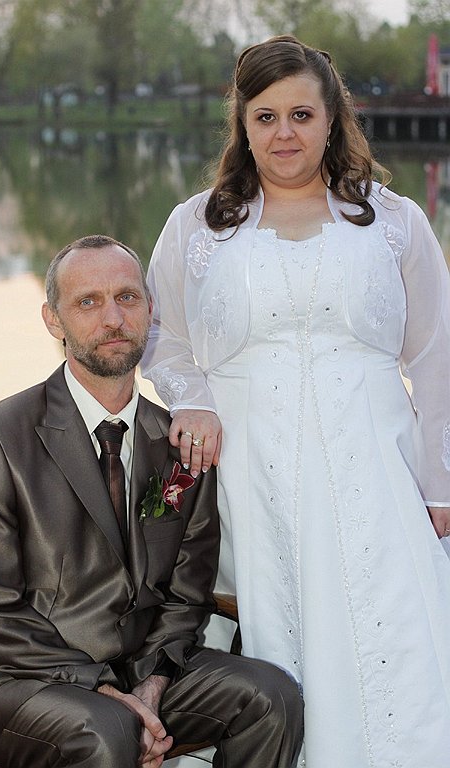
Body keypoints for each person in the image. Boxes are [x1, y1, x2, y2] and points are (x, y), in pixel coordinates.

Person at [140, 35, 450, 768]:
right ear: (243, 126)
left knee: (395, 631)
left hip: (376, 469)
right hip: (252, 475)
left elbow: (438, 358)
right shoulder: (196, 227)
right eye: (266, 117)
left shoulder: (395, 222)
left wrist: (440, 485)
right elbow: (160, 338)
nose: (285, 133)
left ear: (332, 120)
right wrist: (193, 400)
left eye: (302, 115)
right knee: (282, 637)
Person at [0, 234, 304, 768]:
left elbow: (186, 593)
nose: (112, 318)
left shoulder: (180, 444)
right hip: (18, 681)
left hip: (142, 673)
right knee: (106, 729)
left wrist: (151, 687)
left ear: (150, 309)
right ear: (53, 320)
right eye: (88, 301)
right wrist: (106, 691)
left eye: (127, 297)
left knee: (270, 697)